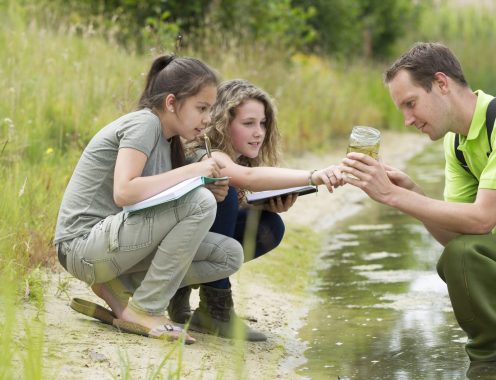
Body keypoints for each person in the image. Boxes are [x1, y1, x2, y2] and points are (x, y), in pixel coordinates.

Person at [341, 42, 496, 363]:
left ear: (441, 83)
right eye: (403, 110)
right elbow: (460, 240)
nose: (408, 120)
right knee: (459, 256)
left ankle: (494, 364)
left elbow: (482, 220)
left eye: (411, 104)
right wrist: (412, 194)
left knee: (465, 256)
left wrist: (392, 194)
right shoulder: (458, 143)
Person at [54, 55, 244, 344]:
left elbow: (154, 201)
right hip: (81, 246)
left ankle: (118, 290)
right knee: (199, 203)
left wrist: (204, 183)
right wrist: (193, 172)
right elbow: (125, 191)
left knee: (229, 254)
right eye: (201, 108)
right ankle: (146, 309)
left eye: (210, 109)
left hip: (114, 246)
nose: (207, 118)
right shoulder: (144, 124)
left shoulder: (169, 141)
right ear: (171, 103)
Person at [167, 79, 345, 341]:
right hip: (167, 248)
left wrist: (261, 204)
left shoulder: (235, 157)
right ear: (224, 124)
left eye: (263, 123)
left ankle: (187, 292)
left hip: (191, 244)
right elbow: (246, 179)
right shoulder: (208, 154)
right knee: (224, 193)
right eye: (248, 123)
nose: (259, 132)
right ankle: (216, 309)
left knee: (269, 226)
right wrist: (314, 176)